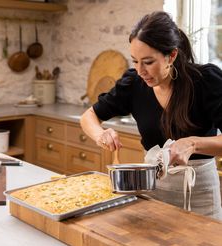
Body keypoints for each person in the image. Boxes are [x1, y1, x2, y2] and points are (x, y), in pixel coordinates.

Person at [80, 11, 222, 220]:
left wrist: (193, 143)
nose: (140, 70)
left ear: (171, 56)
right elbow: (89, 116)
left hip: (199, 193)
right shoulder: (133, 84)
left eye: (148, 62)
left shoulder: (205, 82)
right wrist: (100, 134)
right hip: (152, 190)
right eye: (135, 61)